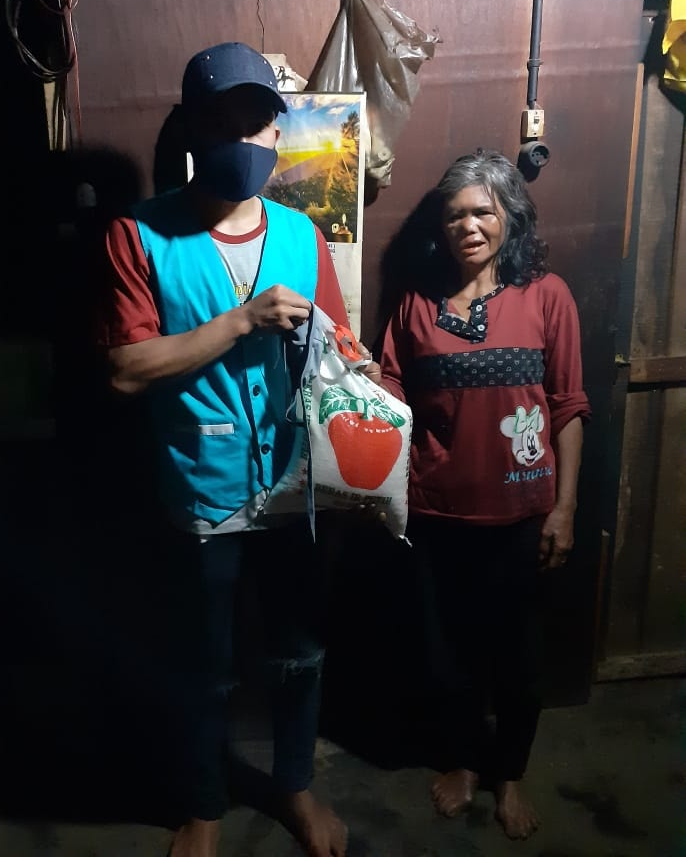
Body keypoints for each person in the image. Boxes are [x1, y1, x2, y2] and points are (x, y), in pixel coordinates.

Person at [97, 41, 366, 857]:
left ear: (278, 135)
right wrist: (242, 321)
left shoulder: (302, 235)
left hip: (296, 487)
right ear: (191, 129)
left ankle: (294, 787)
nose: (245, 140)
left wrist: (359, 370)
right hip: (200, 490)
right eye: (224, 122)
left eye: (258, 123)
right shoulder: (139, 234)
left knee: (299, 656)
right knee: (203, 664)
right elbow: (126, 369)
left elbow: (337, 344)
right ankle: (203, 807)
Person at [377, 149, 591, 840]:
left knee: (520, 659)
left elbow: (569, 405)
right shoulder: (416, 302)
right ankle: (464, 762)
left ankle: (510, 774)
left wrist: (565, 507)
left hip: (523, 514)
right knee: (450, 656)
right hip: (435, 510)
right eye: (454, 216)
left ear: (509, 217)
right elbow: (389, 388)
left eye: (482, 211)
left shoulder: (547, 296)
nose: (467, 226)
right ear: (439, 228)